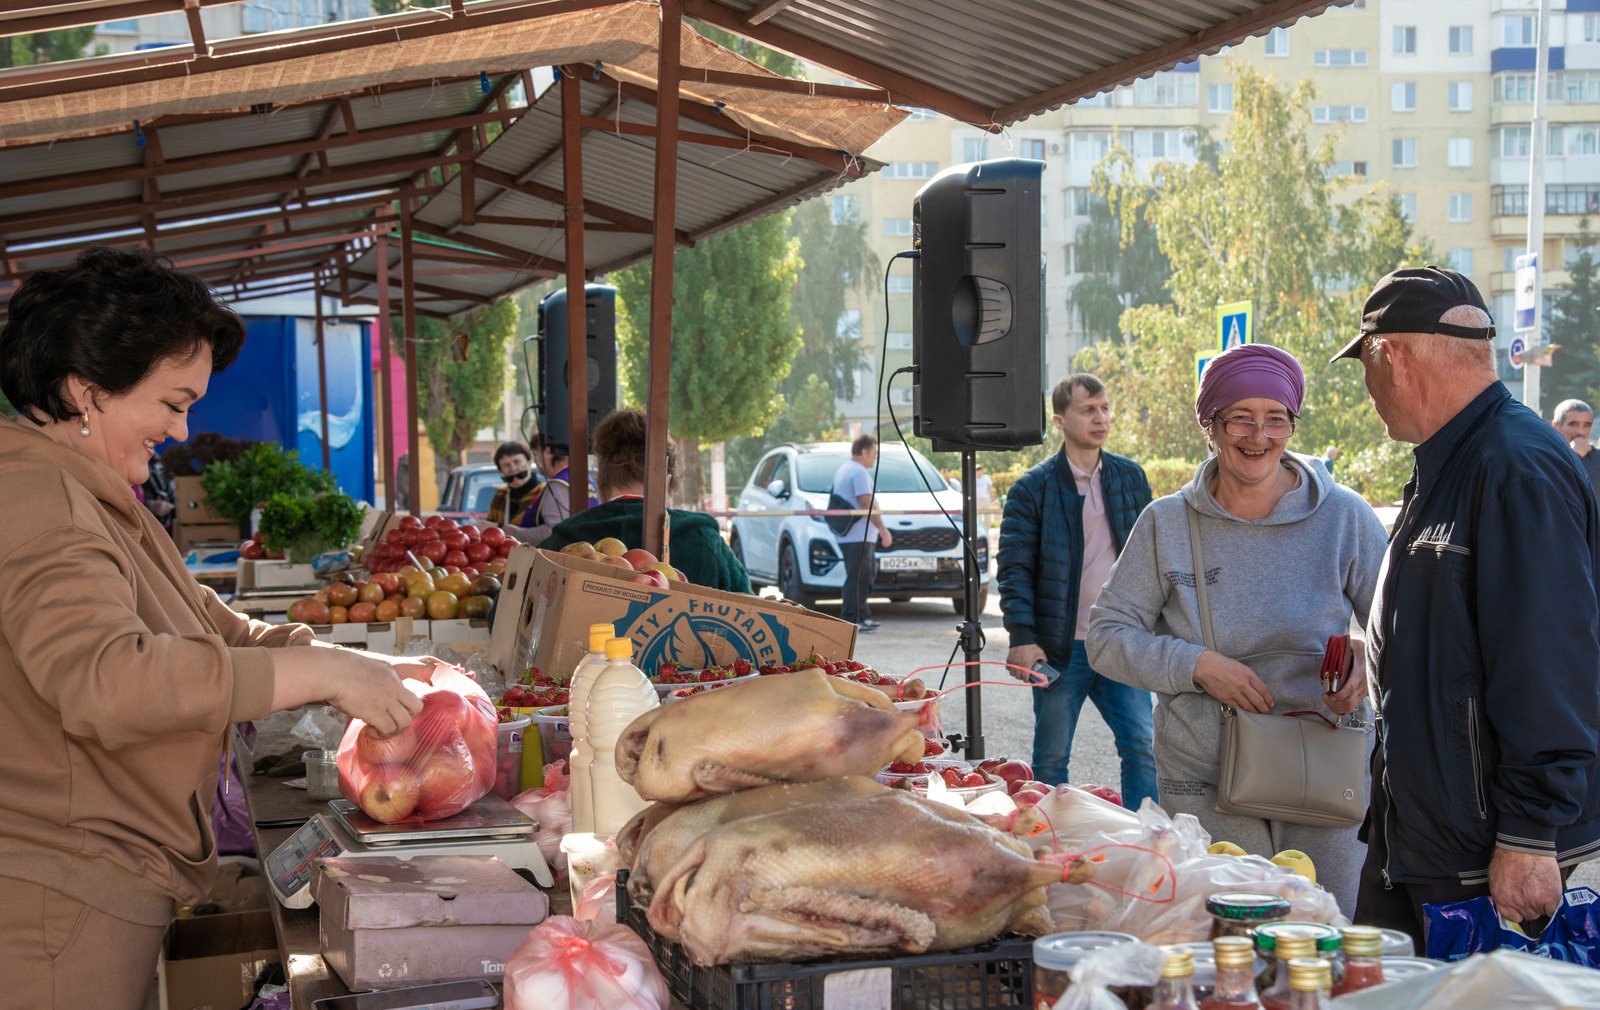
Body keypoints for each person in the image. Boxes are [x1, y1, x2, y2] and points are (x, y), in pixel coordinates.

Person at [0, 247, 433, 1009]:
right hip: (56, 897)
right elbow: (108, 680)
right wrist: (323, 673)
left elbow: (208, 625)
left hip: (89, 883)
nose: (181, 428)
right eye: (172, 403)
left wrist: (346, 665)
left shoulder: (92, 494)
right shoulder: (43, 500)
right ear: (84, 391)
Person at [1332, 266, 1600, 947]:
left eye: (1365, 366)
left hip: (1484, 852)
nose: (1368, 390)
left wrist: (1529, 834)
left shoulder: (1513, 467)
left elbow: (1548, 663)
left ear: (1392, 356)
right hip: (1429, 835)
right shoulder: (1459, 457)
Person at [1087, 345, 1386, 915]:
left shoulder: (1345, 516)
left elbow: (1402, 631)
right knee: (1226, 932)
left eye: (1276, 418)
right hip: (1206, 772)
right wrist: (1196, 666)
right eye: (1240, 418)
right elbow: (1106, 637)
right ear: (1210, 425)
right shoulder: (1166, 523)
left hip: (1324, 767)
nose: (1259, 435)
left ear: (1292, 425)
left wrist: (1367, 661)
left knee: (1326, 927)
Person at [999, 374, 1159, 804]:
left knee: (1144, 749)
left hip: (1121, 641)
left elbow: (1152, 558)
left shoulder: (1130, 477)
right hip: (1059, 648)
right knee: (1051, 759)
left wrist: (1158, 621)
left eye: (1104, 408)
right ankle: (1050, 834)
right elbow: (1014, 569)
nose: (1100, 418)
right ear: (1059, 420)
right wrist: (1022, 638)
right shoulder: (1031, 489)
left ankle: (1149, 836)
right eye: (1088, 410)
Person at [539, 409, 751, 594]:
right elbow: (751, 612)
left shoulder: (558, 546)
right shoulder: (707, 543)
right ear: (666, 483)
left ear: (600, 488)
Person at [832, 433, 892, 631]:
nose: (876, 458)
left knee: (861, 577)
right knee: (858, 578)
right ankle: (853, 620)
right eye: (874, 453)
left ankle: (862, 616)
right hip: (858, 535)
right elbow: (866, 502)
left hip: (855, 535)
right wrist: (883, 530)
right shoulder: (858, 472)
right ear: (864, 452)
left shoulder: (846, 469)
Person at [504, 433, 599, 546]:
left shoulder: (558, 485)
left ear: (547, 452)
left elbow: (553, 532)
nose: (535, 460)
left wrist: (515, 532)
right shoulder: (582, 478)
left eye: (536, 454)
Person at [1552, 398, 1600, 499]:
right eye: (1573, 424)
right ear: (1555, 426)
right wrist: (1574, 455)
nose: (1581, 431)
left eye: (1587, 425)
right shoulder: (1544, 457)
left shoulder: (1597, 458)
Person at [485, 440, 541, 525]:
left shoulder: (544, 492)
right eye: (506, 465)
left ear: (529, 462)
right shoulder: (500, 494)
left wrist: (500, 528)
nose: (513, 469)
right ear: (500, 471)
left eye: (517, 462)